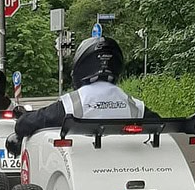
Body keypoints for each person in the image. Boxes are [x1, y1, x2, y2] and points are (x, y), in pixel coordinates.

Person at [10, 36, 159, 152]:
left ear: (81, 66)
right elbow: (162, 126)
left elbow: (29, 123)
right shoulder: (133, 105)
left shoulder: (74, 102)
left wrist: (23, 119)